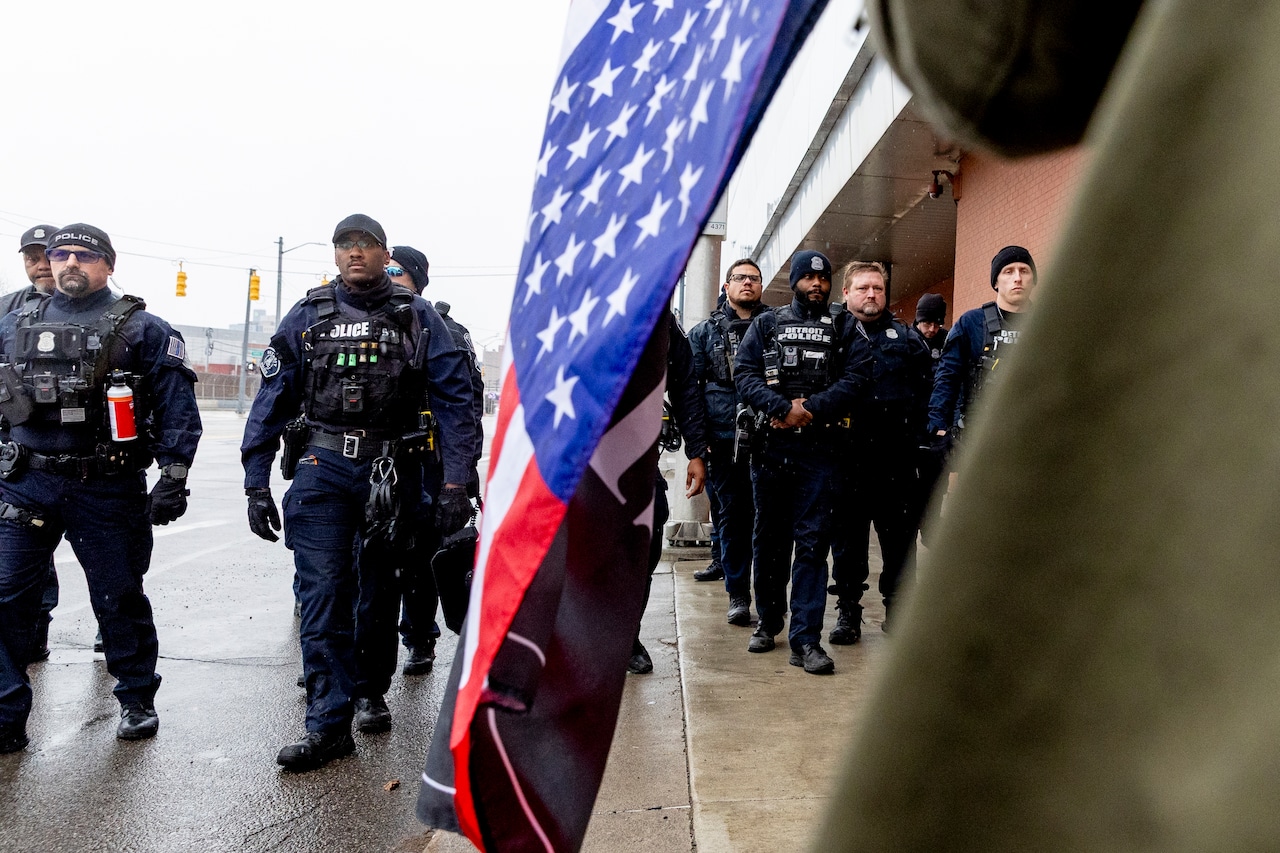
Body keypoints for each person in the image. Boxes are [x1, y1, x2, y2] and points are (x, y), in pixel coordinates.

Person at [241, 214, 476, 772]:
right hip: (323, 468)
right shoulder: (308, 315)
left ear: (383, 253)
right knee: (323, 592)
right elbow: (272, 398)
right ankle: (327, 725)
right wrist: (255, 479)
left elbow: (456, 400)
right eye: (345, 246)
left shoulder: (417, 317)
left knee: (378, 592)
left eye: (365, 245)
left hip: (394, 469)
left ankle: (370, 690)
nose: (354, 254)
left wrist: (455, 481)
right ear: (335, 255)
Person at [0, 223, 202, 753]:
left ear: (108, 265)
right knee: (5, 600)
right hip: (26, 483)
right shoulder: (13, 322)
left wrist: (173, 478)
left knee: (118, 597)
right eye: (59, 254)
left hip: (106, 486)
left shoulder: (145, 329)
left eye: (83, 256)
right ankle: (5, 716)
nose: (69, 263)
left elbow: (177, 409)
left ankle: (136, 698)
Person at [734, 250, 872, 674]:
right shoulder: (767, 323)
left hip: (821, 452)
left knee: (813, 544)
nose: (817, 284)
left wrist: (811, 407)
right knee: (769, 542)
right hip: (772, 451)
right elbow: (744, 373)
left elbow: (859, 375)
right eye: (809, 278)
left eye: (824, 278)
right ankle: (768, 623)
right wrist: (780, 406)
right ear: (794, 282)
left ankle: (806, 640)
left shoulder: (844, 325)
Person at [384, 245, 485, 675]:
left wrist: (461, 475)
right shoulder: (353, 320)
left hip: (427, 460)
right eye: (384, 268)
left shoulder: (445, 330)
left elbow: (468, 405)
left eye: (397, 271)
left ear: (417, 279)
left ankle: (420, 637)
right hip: (375, 459)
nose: (388, 277)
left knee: (421, 554)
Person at [828, 262, 933, 639]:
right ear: (846, 293)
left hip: (895, 462)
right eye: (862, 288)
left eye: (877, 288)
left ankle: (899, 610)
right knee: (848, 542)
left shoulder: (906, 338)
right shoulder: (833, 335)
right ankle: (848, 612)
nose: (871, 294)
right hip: (847, 460)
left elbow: (927, 393)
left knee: (899, 542)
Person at [688, 258, 767, 625]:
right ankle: (738, 594)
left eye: (754, 278)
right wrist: (697, 446)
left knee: (767, 520)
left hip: (771, 435)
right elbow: (691, 391)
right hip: (723, 440)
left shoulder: (776, 325)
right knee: (732, 517)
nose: (747, 284)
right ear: (727, 286)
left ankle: (768, 595)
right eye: (740, 278)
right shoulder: (704, 332)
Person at [629, 311, 708, 674]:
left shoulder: (660, 319)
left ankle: (628, 636)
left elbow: (685, 385)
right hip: (581, 462)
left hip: (641, 463)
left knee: (644, 553)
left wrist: (696, 451)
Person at [2, 226, 60, 664]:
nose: (40, 264)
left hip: (80, 457)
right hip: (16, 454)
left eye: (48, 255)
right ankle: (34, 628)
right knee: (24, 551)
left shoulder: (104, 313)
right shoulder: (7, 312)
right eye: (31, 257)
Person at [928, 246, 1038, 451]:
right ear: (996, 281)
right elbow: (947, 377)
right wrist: (938, 427)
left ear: (1033, 279)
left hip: (1033, 435)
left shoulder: (1050, 322)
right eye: (1008, 271)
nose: (1017, 278)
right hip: (978, 438)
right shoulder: (971, 323)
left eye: (1024, 271)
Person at [912, 292, 948, 545]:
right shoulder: (908, 340)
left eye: (937, 323)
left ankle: (930, 525)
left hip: (937, 425)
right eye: (927, 323)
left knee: (936, 482)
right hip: (912, 424)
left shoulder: (949, 341)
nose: (932, 329)